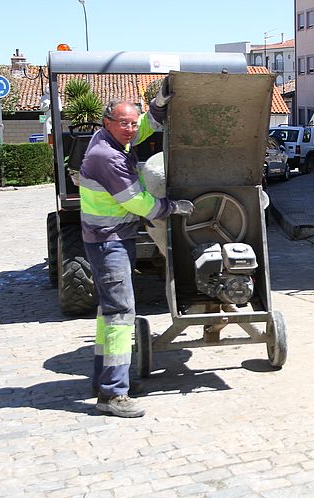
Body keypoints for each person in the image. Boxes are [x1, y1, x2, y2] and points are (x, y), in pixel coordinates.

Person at [79, 77, 194, 418]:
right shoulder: (106, 157)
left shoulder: (112, 140)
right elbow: (137, 201)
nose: (130, 129)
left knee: (107, 313)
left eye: (132, 122)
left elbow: (145, 126)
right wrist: (171, 208)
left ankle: (104, 383)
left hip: (111, 238)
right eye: (123, 123)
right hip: (108, 242)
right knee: (120, 315)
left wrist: (158, 104)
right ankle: (115, 395)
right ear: (107, 122)